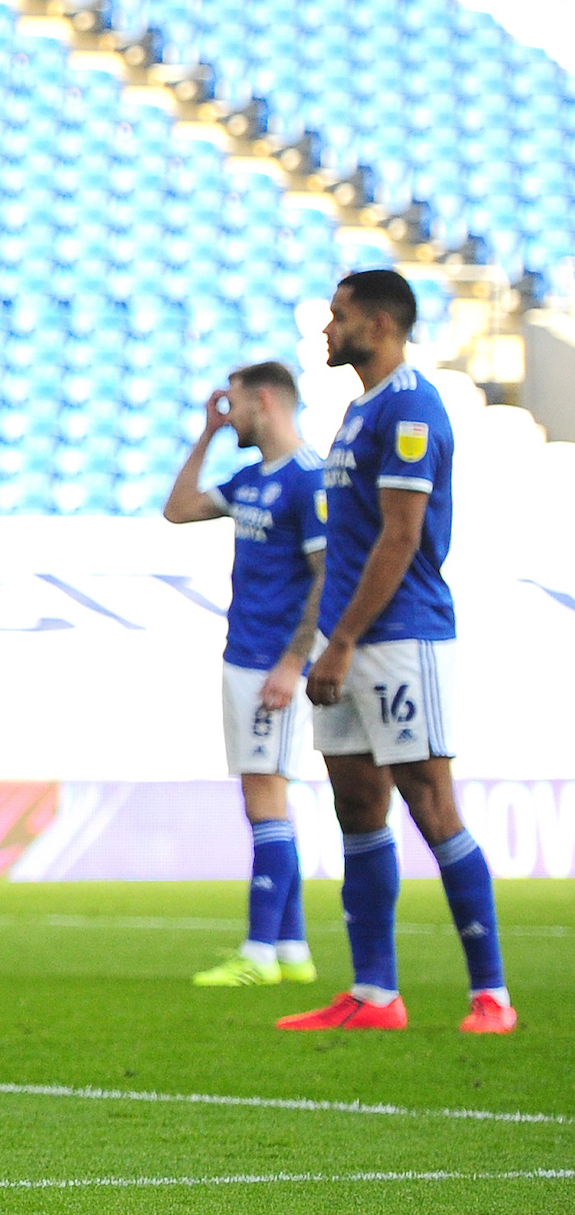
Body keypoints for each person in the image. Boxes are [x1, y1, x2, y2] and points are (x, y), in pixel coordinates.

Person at [280, 269, 513, 1034]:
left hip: (399, 637)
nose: (326, 327)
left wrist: (342, 641)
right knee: (356, 802)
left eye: (338, 315)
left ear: (378, 324)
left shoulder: (411, 404)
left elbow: (403, 534)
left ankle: (491, 995)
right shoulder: (358, 409)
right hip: (344, 640)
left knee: (429, 800)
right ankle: (376, 994)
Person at [161, 362, 327, 988]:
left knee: (265, 798)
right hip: (243, 655)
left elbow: (325, 576)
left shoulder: (308, 481)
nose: (228, 414)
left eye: (232, 404)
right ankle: (291, 949)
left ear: (264, 401)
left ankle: (258, 952)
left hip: (272, 664)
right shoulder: (252, 479)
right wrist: (205, 435)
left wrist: (293, 662)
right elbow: (177, 510)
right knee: (263, 797)